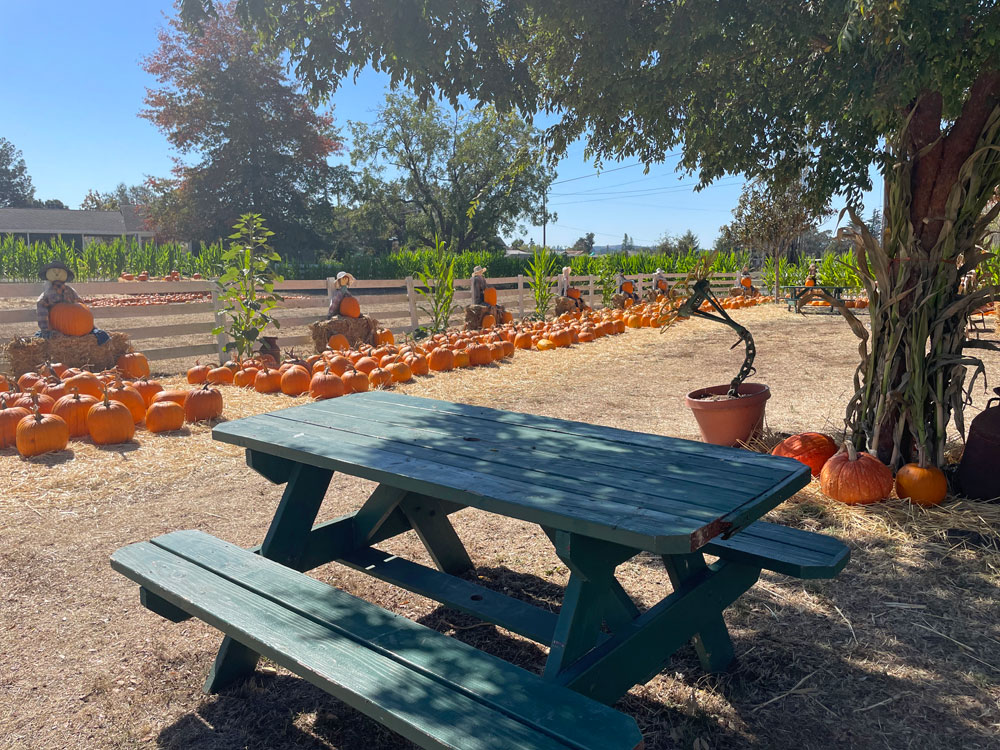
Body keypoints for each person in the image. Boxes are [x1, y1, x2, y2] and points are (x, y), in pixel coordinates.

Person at [35, 260, 110, 343]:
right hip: (57, 322)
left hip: (73, 316)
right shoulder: (47, 293)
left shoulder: (69, 291)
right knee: (42, 306)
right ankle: (46, 332)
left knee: (80, 311)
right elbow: (42, 307)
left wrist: (79, 304)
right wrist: (45, 329)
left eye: (60, 271)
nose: (57, 273)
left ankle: (92, 329)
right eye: (53, 271)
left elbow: (79, 302)